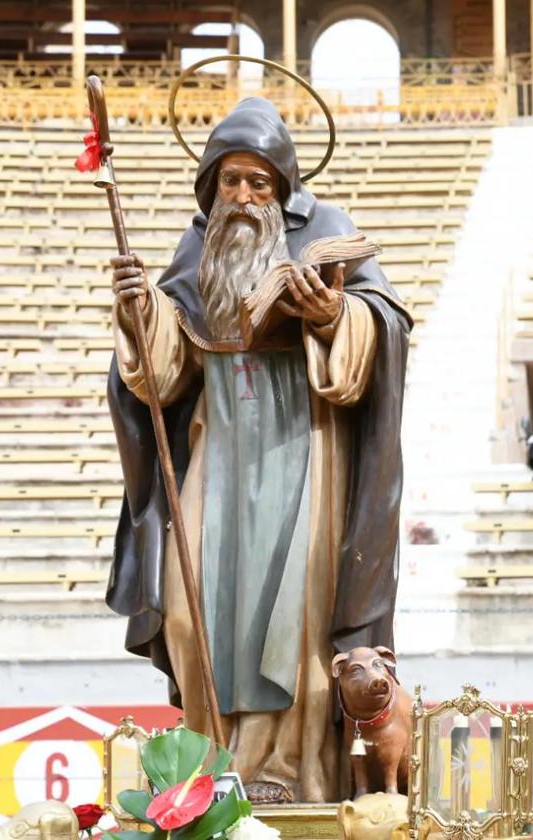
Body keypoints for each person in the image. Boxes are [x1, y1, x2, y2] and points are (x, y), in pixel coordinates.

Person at [106, 98, 412, 803]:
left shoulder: (326, 230)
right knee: (188, 612)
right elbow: (162, 378)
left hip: (303, 449)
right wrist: (139, 314)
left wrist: (336, 315)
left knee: (297, 626)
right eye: (231, 182)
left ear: (284, 186)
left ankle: (290, 775)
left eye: (259, 183)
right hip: (219, 447)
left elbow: (387, 328)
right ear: (211, 185)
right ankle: (210, 773)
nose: (243, 197)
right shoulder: (195, 247)